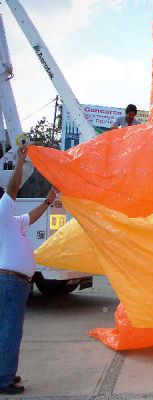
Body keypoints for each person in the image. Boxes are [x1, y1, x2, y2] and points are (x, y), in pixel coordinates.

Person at [0, 146, 57, 395]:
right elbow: (12, 189)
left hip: (16, 282)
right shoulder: (1, 213)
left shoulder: (12, 221)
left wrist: (47, 201)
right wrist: (21, 160)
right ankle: (3, 379)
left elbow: (30, 218)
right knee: (10, 330)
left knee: (9, 329)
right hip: (9, 282)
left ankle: (5, 371)